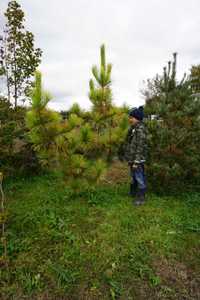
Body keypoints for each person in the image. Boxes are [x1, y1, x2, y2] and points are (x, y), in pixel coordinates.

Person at [120, 106, 148, 206]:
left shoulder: (140, 130)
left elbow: (140, 147)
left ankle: (141, 198)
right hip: (133, 158)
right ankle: (134, 193)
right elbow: (129, 142)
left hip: (138, 159)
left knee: (139, 177)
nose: (130, 119)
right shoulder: (134, 129)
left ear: (138, 118)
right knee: (134, 176)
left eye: (132, 118)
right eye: (130, 117)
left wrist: (136, 161)